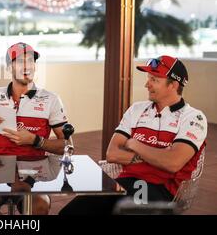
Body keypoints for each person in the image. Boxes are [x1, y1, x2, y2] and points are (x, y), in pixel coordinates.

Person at [59, 55, 207, 215]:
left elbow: (172, 163)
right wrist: (157, 157)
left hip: (160, 190)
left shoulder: (193, 117)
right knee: (71, 212)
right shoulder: (137, 109)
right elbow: (112, 154)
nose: (147, 84)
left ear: (173, 85)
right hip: (124, 182)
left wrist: (135, 145)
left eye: (155, 80)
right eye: (148, 78)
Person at [0, 42, 69, 214]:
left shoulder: (51, 99)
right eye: (21, 61)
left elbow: (67, 146)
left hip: (33, 169)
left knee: (38, 206)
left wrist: (35, 140)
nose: (27, 66)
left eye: (31, 61)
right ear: (9, 67)